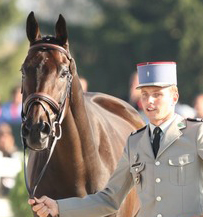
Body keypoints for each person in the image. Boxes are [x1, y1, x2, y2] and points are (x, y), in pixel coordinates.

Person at [28, 61, 203, 217]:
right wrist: (58, 207)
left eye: (157, 94)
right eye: (144, 94)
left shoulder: (196, 134)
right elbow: (109, 200)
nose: (149, 101)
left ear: (174, 97)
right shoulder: (135, 142)